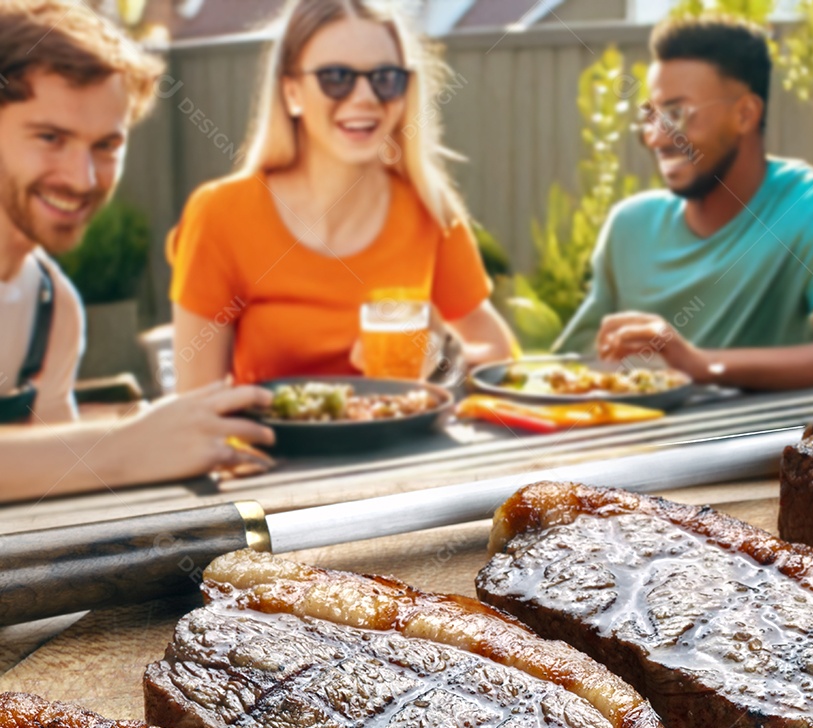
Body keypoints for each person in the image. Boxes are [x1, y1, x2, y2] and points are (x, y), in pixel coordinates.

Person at [0, 0, 275, 504]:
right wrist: (127, 447)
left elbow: (55, 504)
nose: (82, 178)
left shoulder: (53, 307)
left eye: (106, 145)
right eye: (50, 137)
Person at [169, 0, 516, 391]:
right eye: (336, 77)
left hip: (406, 449)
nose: (365, 97)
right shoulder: (221, 215)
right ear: (292, 92)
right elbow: (194, 406)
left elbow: (500, 354)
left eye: (385, 78)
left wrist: (443, 360)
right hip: (271, 452)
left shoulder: (428, 209)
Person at [556, 16, 813, 391]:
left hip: (758, 446)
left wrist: (703, 365)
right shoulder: (629, 226)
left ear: (745, 114)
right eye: (650, 116)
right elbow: (575, 365)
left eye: (676, 113)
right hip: (635, 442)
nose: (655, 137)